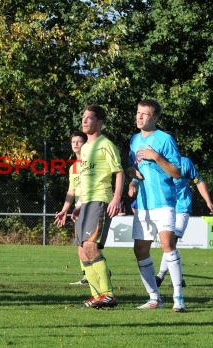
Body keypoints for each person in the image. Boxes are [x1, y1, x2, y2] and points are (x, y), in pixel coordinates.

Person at [127, 99, 185, 312]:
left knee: (167, 244)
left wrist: (157, 157)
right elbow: (133, 168)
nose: (139, 117)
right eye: (138, 112)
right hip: (143, 203)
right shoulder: (133, 140)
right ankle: (154, 297)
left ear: (155, 118)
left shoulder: (165, 139)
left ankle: (178, 298)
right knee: (140, 249)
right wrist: (132, 179)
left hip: (164, 201)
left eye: (145, 114)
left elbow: (177, 172)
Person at [75, 104, 124, 309]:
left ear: (100, 122)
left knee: (91, 246)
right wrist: (78, 204)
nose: (85, 121)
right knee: (81, 251)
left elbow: (119, 172)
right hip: (85, 203)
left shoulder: (106, 145)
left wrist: (116, 199)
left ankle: (108, 294)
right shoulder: (85, 148)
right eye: (84, 117)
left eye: (89, 118)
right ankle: (96, 295)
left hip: (100, 200)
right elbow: (84, 178)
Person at [153, 155, 213, 287]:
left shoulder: (185, 162)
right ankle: (179, 279)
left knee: (171, 241)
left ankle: (160, 276)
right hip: (164, 207)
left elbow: (198, 180)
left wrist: (208, 201)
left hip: (182, 207)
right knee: (168, 244)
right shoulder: (155, 161)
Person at [54, 130, 88, 285]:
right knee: (81, 243)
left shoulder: (90, 163)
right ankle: (88, 275)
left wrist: (81, 204)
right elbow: (71, 190)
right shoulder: (73, 167)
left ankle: (95, 273)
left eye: (78, 141)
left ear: (85, 143)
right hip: (78, 206)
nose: (75, 144)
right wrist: (64, 209)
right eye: (73, 142)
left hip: (89, 204)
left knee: (88, 243)